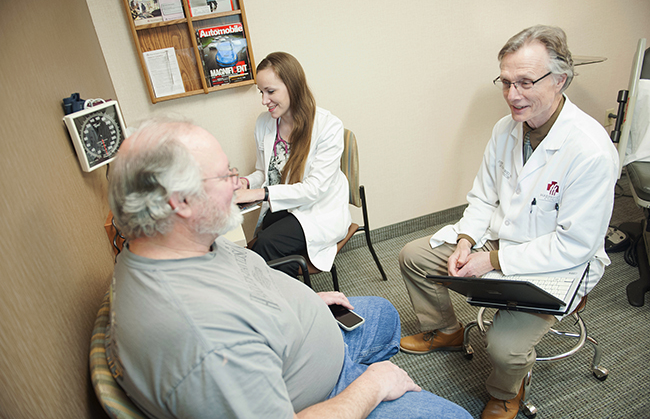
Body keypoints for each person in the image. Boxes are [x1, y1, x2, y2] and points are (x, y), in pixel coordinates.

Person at [105, 118, 472, 419]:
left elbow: (247, 283)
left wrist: (307, 301)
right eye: (225, 177)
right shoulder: (207, 343)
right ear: (180, 201)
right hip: (319, 395)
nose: (237, 185)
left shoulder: (180, 243)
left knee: (386, 314)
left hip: (296, 337)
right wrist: (372, 386)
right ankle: (371, 381)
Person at [398, 25, 619, 419]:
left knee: (503, 347)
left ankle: (505, 392)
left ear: (560, 80)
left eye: (525, 82)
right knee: (414, 255)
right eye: (505, 82)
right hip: (497, 243)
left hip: (557, 266)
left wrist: (494, 261)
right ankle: (446, 330)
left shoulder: (590, 151)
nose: (512, 95)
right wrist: (467, 239)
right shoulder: (506, 129)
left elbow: (575, 246)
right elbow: (483, 197)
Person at [236, 52, 351, 278]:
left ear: (293, 86)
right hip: (289, 204)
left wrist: (259, 194)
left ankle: (287, 301)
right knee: (261, 243)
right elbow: (264, 172)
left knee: (265, 246)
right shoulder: (264, 123)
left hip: (320, 209)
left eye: (270, 91)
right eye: (261, 92)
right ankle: (291, 291)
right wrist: (245, 182)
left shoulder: (328, 126)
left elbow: (314, 189)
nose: (263, 100)